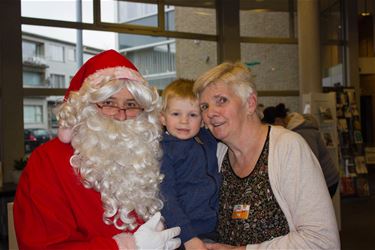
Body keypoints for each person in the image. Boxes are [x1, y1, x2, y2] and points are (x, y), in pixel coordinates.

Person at [13, 49, 181, 250]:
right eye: (108, 103)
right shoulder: (47, 162)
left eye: (131, 105)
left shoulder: (146, 154)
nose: (121, 116)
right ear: (86, 107)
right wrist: (127, 247)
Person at [193, 62, 340, 249]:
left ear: (250, 103)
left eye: (221, 100)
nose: (210, 113)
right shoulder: (219, 154)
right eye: (204, 106)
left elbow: (322, 241)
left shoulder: (287, 148)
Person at [159, 79, 221, 249]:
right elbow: (166, 198)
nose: (184, 121)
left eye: (192, 115)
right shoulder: (164, 151)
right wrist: (188, 237)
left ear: (202, 120)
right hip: (184, 234)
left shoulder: (207, 140)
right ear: (162, 118)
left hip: (213, 229)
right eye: (176, 114)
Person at [262, 103, 340, 197]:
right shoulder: (293, 132)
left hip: (327, 181)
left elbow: (310, 163)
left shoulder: (302, 132)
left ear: (278, 121)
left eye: (271, 127)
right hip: (318, 180)